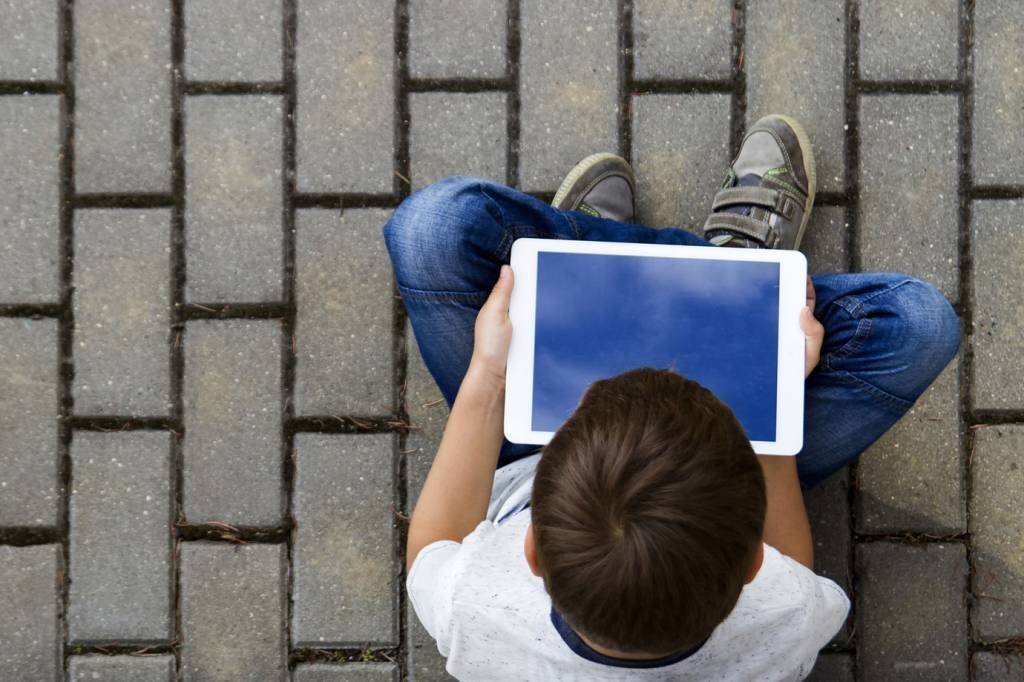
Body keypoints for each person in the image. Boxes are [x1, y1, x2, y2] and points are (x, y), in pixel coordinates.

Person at [382, 115, 960, 680]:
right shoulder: (788, 618)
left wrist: (489, 372)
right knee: (918, 324)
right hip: (725, 474)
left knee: (431, 228)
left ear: (530, 552)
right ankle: (719, 264)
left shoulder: (470, 608)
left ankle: (598, 260)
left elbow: (434, 546)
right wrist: (767, 390)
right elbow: (794, 559)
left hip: (524, 448)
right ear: (755, 564)